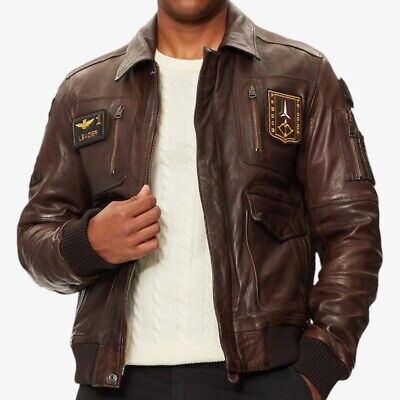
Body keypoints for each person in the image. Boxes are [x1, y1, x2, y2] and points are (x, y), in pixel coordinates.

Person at [16, 1, 382, 399]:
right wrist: (88, 243)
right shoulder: (85, 91)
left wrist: (317, 368)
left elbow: (353, 231)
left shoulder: (302, 75)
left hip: (262, 377)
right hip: (115, 382)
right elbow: (36, 235)